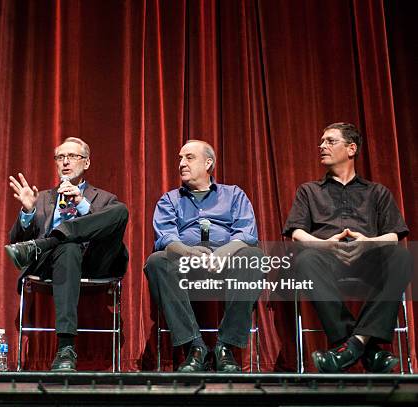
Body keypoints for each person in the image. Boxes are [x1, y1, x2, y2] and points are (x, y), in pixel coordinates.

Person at [283, 122, 412, 373]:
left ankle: (350, 347)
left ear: (351, 148)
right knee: (306, 259)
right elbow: (296, 232)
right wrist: (325, 245)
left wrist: (367, 243)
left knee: (401, 257)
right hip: (325, 261)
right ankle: (364, 347)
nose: (322, 146)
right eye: (321, 141)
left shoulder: (377, 192)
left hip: (368, 262)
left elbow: (394, 236)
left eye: (330, 141)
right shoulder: (308, 191)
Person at [6, 137, 129, 372]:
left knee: (120, 210)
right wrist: (28, 213)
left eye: (72, 156)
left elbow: (110, 231)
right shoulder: (40, 198)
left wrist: (83, 204)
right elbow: (17, 244)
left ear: (87, 163)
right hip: (52, 264)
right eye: (60, 157)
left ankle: (57, 236)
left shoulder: (104, 199)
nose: (65, 162)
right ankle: (66, 348)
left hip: (95, 260)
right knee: (68, 247)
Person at [144, 140, 264, 372]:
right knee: (157, 261)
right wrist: (188, 251)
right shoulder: (170, 200)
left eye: (189, 158)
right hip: (185, 262)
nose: (181, 163)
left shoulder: (233, 195)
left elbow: (247, 233)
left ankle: (225, 348)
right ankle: (194, 347)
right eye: (180, 158)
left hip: (227, 261)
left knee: (253, 256)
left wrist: (223, 252)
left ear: (208, 163)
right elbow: (166, 238)